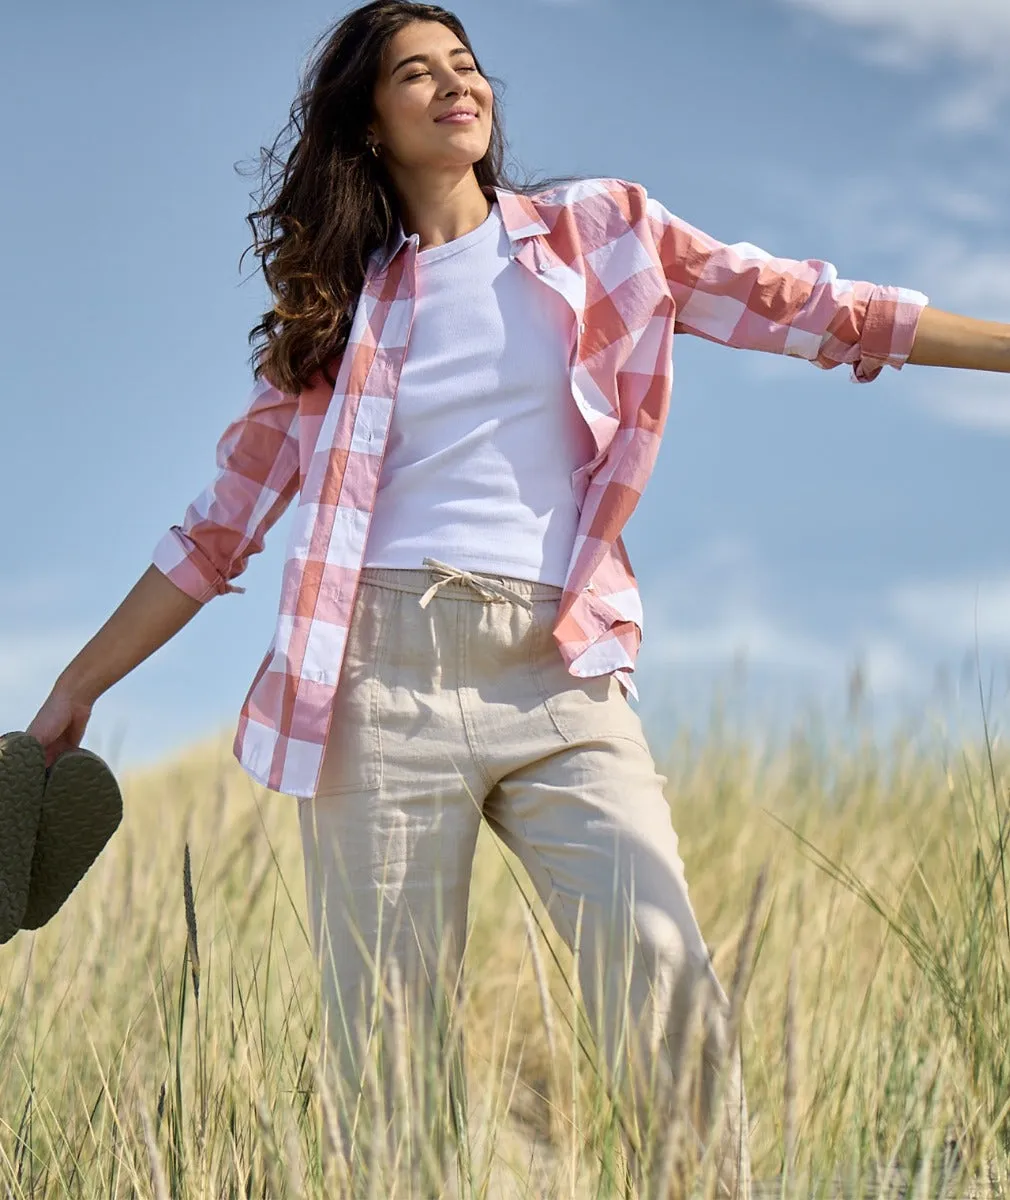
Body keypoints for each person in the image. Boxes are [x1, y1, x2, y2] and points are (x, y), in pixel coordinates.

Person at [25, 1, 1010, 1194]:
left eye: (466, 64)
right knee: (388, 1066)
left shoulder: (607, 233)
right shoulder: (332, 327)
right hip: (377, 685)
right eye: (414, 73)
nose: (456, 85)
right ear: (370, 123)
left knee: (667, 1000)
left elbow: (812, 306)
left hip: (559, 673)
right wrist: (75, 689)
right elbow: (211, 535)